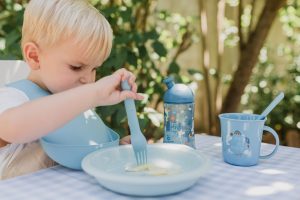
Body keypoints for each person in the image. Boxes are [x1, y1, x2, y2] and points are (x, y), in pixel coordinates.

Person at [0, 0, 143, 180]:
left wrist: (115, 150)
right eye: (76, 67)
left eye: (94, 69)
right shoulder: (13, 98)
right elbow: (12, 127)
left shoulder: (75, 101)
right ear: (34, 56)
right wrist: (94, 94)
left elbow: (80, 148)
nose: (88, 79)